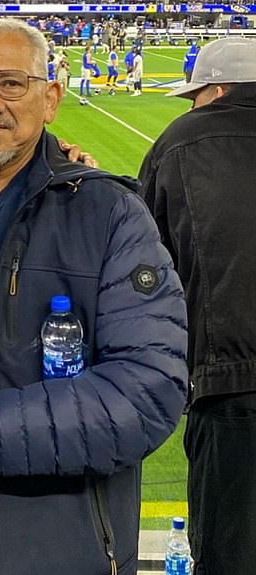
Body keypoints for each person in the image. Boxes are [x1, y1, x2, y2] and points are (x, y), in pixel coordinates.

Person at [0, 18, 188, 575]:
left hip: (58, 541)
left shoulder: (109, 214)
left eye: (11, 83)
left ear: (51, 98)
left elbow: (150, 390)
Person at [138, 37, 256, 575]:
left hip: (230, 387)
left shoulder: (182, 140)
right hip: (231, 378)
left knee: (230, 552)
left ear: (217, 89)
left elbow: (142, 262)